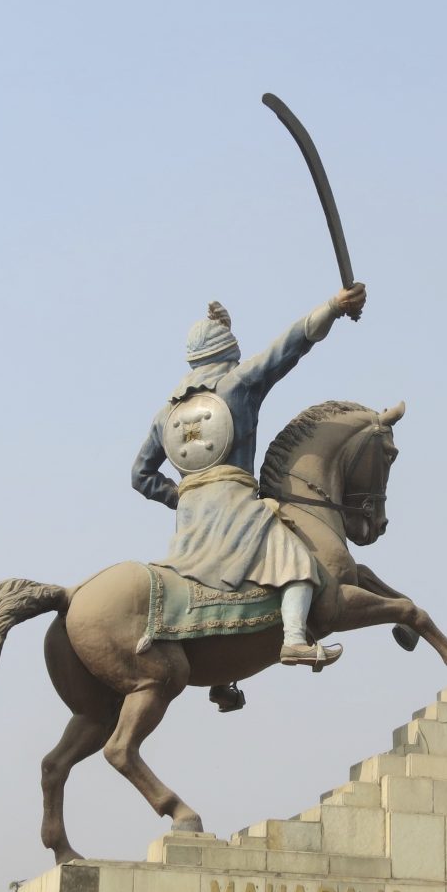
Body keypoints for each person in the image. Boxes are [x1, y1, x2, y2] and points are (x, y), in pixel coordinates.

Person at [132, 284, 367, 708]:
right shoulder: (236, 386)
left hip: (190, 523)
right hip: (236, 504)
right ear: (228, 355)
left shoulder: (166, 414)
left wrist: (182, 496)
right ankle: (295, 638)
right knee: (295, 560)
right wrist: (333, 307)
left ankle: (224, 675)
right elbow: (288, 346)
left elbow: (141, 476)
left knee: (214, 586)